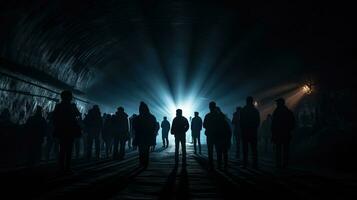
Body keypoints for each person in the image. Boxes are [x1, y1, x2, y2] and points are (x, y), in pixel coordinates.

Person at [53, 90, 81, 174]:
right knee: (69, 150)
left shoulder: (58, 106)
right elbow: (78, 115)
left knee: (62, 149)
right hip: (70, 130)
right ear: (70, 97)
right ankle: (67, 167)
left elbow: (54, 117)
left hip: (61, 130)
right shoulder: (72, 106)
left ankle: (61, 167)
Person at [271, 98, 295, 169]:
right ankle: (285, 163)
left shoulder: (276, 112)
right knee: (286, 150)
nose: (277, 104)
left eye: (277, 103)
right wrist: (289, 130)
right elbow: (292, 122)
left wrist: (273, 133)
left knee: (278, 150)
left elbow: (273, 124)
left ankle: (278, 164)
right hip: (286, 133)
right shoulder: (288, 112)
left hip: (278, 134)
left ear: (279, 103)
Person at [132, 102, 157, 168]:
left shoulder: (137, 118)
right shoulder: (152, 117)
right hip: (148, 136)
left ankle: (141, 162)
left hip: (140, 136)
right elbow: (154, 127)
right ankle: (145, 163)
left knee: (141, 150)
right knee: (146, 150)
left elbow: (134, 126)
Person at [240, 96, 260, 168]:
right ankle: (255, 163)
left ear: (247, 101)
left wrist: (243, 129)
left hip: (245, 132)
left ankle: (245, 163)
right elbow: (258, 122)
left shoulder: (243, 110)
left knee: (245, 149)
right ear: (252, 101)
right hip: (253, 132)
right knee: (254, 149)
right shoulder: (255, 111)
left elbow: (241, 122)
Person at [203, 101, 219, 169]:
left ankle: (211, 163)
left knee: (210, 149)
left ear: (209, 107)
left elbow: (204, 125)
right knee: (218, 149)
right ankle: (219, 163)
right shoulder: (218, 115)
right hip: (217, 134)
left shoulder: (207, 115)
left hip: (210, 134)